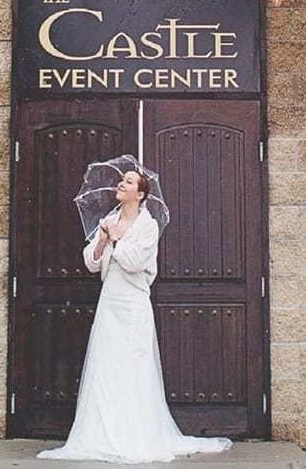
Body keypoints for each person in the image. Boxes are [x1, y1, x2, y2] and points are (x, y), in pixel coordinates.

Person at [38, 169, 233, 463]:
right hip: (110, 304)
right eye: (123, 180)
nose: (121, 184)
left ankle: (135, 435)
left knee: (134, 369)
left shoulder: (148, 226)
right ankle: (99, 434)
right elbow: (91, 263)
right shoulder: (110, 221)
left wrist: (117, 241)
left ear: (140, 194)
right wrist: (104, 239)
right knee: (105, 367)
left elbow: (134, 262)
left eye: (129, 182)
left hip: (134, 305)